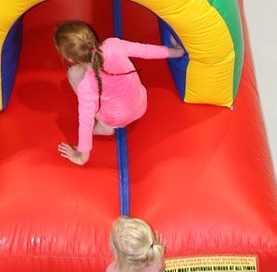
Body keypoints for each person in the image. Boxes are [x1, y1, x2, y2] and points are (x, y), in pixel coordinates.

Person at [55, 20, 183, 165]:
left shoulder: (87, 86)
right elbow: (146, 51)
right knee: (102, 83)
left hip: (115, 120)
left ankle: (104, 127)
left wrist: (82, 157)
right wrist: (177, 52)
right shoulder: (113, 45)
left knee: (72, 73)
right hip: (141, 104)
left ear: (70, 58)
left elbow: (86, 120)